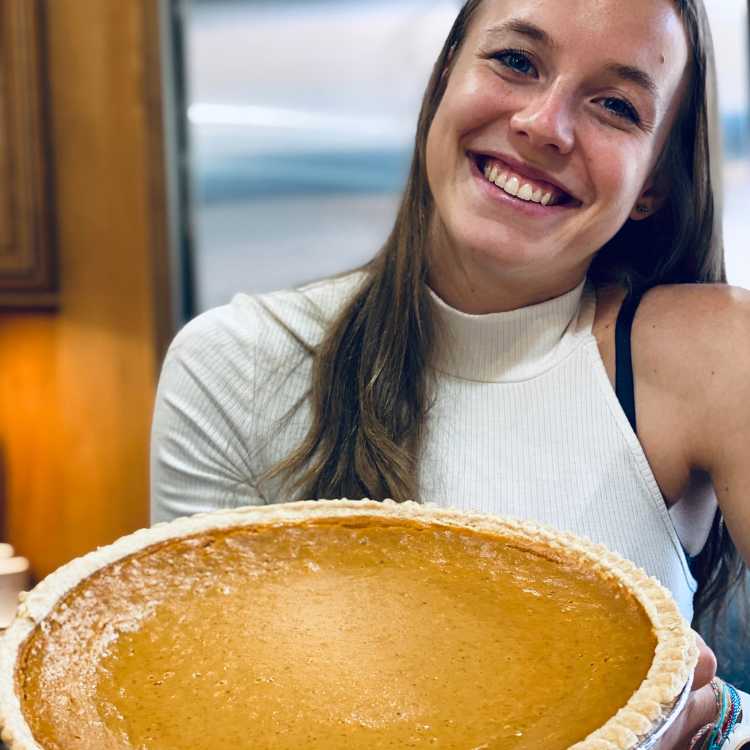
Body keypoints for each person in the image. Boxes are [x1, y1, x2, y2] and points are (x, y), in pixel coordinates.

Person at [151, 0, 750, 747]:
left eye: (616, 105)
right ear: (444, 81)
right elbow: (200, 720)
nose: (543, 124)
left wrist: (724, 717)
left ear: (653, 182)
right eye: (517, 61)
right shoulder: (236, 365)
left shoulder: (716, 354)